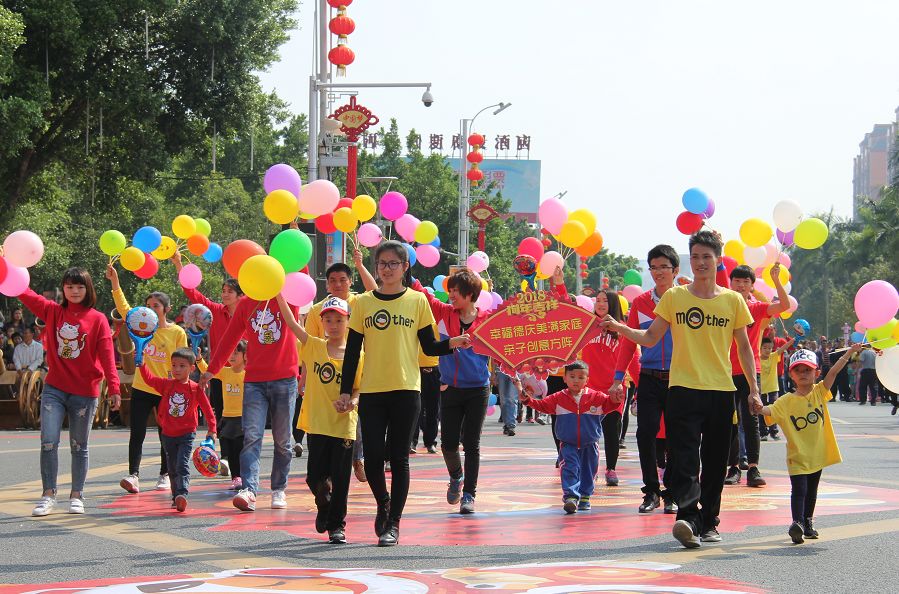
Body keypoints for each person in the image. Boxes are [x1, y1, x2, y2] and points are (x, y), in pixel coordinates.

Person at [601, 230, 758, 548]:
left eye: (707, 257)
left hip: (720, 391)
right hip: (682, 389)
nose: (701, 263)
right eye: (696, 256)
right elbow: (650, 338)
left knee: (714, 462)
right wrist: (620, 328)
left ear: (717, 260)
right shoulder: (675, 297)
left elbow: (744, 348)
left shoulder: (733, 300)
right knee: (685, 458)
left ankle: (709, 521)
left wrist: (754, 389)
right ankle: (687, 517)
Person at [339, 241, 470, 546]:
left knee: (398, 458)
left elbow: (429, 346)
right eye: (381, 264)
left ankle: (393, 523)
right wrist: (346, 391)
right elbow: (352, 351)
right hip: (371, 390)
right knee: (372, 459)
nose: (386, 269)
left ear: (405, 267)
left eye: (392, 264)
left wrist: (454, 343)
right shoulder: (363, 304)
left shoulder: (417, 301)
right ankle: (383, 502)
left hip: (406, 389)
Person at [18, 268, 121, 516]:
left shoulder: (97, 319)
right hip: (55, 389)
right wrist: (5, 266)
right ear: (63, 289)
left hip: (85, 393)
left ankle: (77, 495)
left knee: (79, 445)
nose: (74, 291)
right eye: (69, 286)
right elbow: (24, 292)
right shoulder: (53, 311)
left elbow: (108, 358)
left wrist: (115, 387)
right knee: (48, 442)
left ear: (88, 290)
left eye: (80, 287)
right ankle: (48, 495)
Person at [200, 284, 301, 513]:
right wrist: (212, 370)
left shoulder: (288, 297)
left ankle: (278, 489)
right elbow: (228, 340)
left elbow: (301, 268)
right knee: (252, 436)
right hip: (254, 381)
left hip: (285, 379)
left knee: (283, 440)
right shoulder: (245, 304)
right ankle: (249, 490)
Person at [277, 294, 362, 544]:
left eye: (339, 320)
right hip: (317, 423)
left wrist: (352, 403)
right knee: (314, 477)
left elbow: (360, 387)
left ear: (348, 322)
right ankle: (323, 503)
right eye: (328, 320)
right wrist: (279, 294)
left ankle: (337, 526)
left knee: (341, 478)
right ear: (321, 322)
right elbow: (292, 323)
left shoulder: (357, 353)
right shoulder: (313, 346)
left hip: (344, 425)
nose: (333, 325)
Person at [755, 345, 861, 543]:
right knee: (799, 490)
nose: (803, 374)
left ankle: (808, 522)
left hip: (817, 454)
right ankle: (797, 523)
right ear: (791, 374)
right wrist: (759, 408)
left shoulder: (819, 392)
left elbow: (835, 371)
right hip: (798, 455)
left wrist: (849, 353)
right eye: (798, 370)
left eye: (807, 370)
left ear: (816, 373)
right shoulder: (785, 401)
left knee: (812, 491)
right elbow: (769, 411)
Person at [608, 244, 684, 514]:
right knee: (645, 434)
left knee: (677, 437)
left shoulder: (685, 298)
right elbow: (629, 343)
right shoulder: (640, 302)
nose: (658, 272)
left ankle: (672, 493)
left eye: (664, 266)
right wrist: (618, 379)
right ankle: (651, 491)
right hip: (649, 377)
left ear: (675, 270)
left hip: (680, 378)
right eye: (654, 267)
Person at [411, 268, 491, 514]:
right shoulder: (444, 312)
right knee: (447, 444)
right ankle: (456, 476)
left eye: (456, 291)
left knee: (472, 444)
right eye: (450, 291)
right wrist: (407, 270)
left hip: (478, 389)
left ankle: (469, 495)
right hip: (450, 388)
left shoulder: (488, 320)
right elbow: (423, 294)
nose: (452, 295)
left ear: (470, 294)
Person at [107, 265, 188, 494]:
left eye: (156, 306)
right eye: (148, 305)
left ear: (167, 309)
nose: (151, 309)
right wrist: (115, 282)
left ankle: (164, 474)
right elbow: (124, 308)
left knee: (166, 433)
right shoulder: (141, 325)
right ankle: (133, 475)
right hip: (142, 387)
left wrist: (177, 385)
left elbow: (182, 360)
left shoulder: (176, 332)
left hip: (166, 389)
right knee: (137, 433)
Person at [305, 253, 378, 481]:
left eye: (343, 280)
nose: (338, 284)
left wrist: (359, 264)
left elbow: (375, 290)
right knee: (332, 417)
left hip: (360, 367)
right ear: (326, 284)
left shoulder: (360, 302)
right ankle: (329, 470)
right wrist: (304, 378)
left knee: (354, 413)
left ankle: (357, 457)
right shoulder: (318, 310)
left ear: (350, 281)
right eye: (333, 280)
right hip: (327, 374)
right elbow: (310, 345)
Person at [722, 264, 789, 487]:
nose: (740, 285)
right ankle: (733, 468)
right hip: (724, 371)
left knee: (751, 420)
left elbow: (785, 305)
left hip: (751, 372)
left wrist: (776, 280)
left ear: (752, 285)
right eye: (737, 281)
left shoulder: (757, 307)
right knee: (728, 421)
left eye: (745, 282)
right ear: (730, 283)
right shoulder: (722, 304)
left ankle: (752, 468)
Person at [518, 361, 614, 513]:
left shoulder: (596, 397)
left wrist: (617, 397)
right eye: (572, 376)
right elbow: (542, 405)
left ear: (587, 379)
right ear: (565, 378)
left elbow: (610, 404)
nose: (576, 380)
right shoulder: (558, 398)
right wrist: (528, 400)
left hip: (590, 444)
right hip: (567, 444)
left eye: (581, 377)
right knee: (569, 468)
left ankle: (585, 497)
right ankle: (570, 497)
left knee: (589, 471)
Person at [138, 348, 217, 512]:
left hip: (187, 434)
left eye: (182, 366)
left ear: (192, 369)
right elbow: (149, 379)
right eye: (174, 365)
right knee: (172, 467)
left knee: (182, 464)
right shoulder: (167, 385)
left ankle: (182, 494)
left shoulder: (196, 388)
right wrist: (141, 363)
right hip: (168, 434)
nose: (177, 369)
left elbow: (208, 409)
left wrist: (212, 429)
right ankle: (176, 497)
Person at [172, 251, 242, 428]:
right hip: (219, 372)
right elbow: (192, 293)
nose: (225, 295)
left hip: (244, 374)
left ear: (240, 295)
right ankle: (223, 452)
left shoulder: (248, 314)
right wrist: (178, 264)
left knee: (245, 417)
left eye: (230, 291)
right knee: (221, 416)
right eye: (223, 291)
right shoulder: (215, 311)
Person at [580, 289, 640, 487]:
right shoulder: (586, 325)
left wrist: (640, 386)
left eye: (605, 300)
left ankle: (611, 469)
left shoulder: (623, 329)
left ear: (613, 303)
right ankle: (591, 469)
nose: (600, 304)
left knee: (611, 431)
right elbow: (565, 310)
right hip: (590, 389)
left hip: (614, 389)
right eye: (597, 300)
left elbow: (633, 359)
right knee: (589, 433)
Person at [218, 341, 248, 490]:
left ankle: (241, 477)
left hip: (242, 418)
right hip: (227, 416)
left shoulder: (248, 374)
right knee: (226, 444)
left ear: (245, 356)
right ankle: (232, 473)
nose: (232, 356)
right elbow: (208, 369)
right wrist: (198, 359)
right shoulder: (225, 372)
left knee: (238, 450)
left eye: (236, 353)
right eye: (230, 352)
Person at [758, 335, 794, 441]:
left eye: (769, 348)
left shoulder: (774, 356)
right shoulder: (756, 359)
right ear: (760, 348)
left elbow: (784, 347)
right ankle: (763, 432)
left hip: (773, 388)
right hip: (762, 390)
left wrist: (793, 339)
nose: (767, 350)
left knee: (774, 410)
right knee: (762, 411)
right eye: (765, 348)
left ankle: (774, 431)